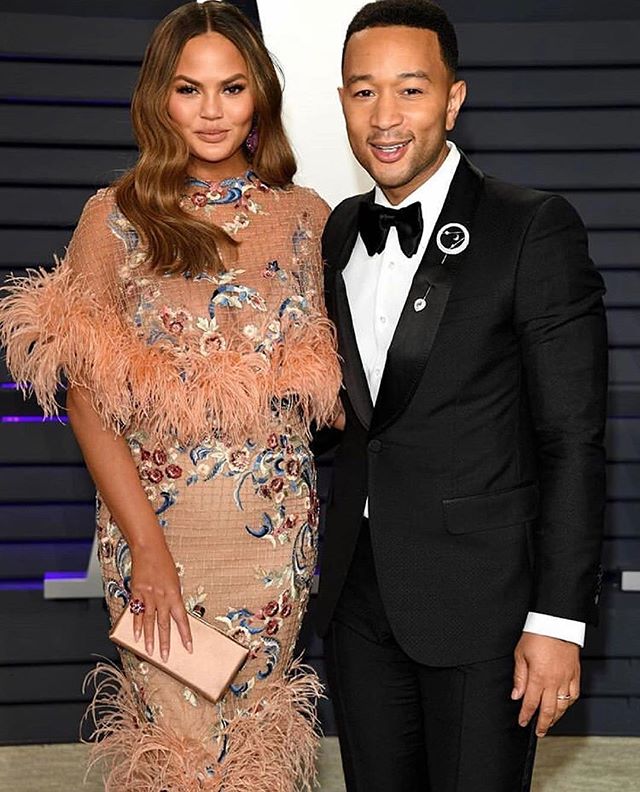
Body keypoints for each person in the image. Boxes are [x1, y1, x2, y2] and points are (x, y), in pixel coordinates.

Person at [0, 2, 341, 790]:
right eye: (190, 89)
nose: (212, 111)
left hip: (274, 543)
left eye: (232, 88)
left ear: (260, 96)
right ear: (159, 98)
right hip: (157, 538)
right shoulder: (113, 218)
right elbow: (86, 402)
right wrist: (148, 555)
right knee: (178, 757)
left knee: (255, 748)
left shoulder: (306, 219)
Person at [315, 1, 608, 790]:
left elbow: (573, 441)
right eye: (362, 91)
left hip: (486, 605)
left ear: (453, 99)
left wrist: (557, 622)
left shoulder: (532, 227)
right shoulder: (338, 230)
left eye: (410, 91)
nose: (384, 117)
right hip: (357, 594)